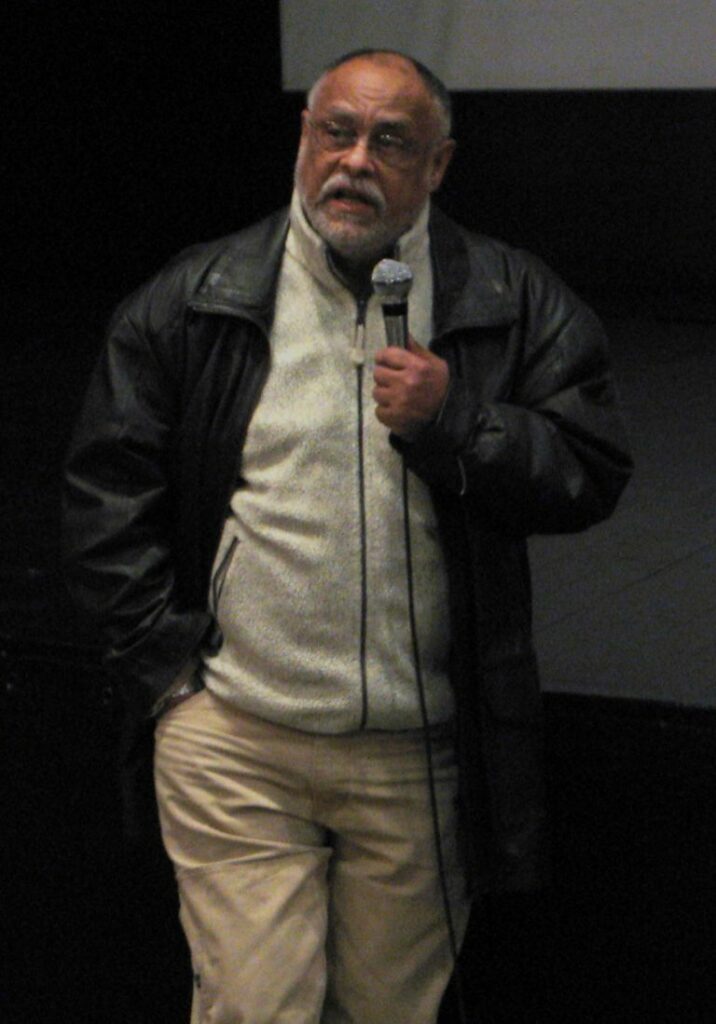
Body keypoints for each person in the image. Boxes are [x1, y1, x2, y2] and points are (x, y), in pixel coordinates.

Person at [63, 49, 632, 1024]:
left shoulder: (508, 294)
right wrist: (169, 672)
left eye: (390, 142)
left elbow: (589, 467)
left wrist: (456, 419)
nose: (355, 161)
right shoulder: (199, 292)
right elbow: (103, 491)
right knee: (255, 1006)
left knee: (388, 1012)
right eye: (336, 132)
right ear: (303, 139)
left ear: (437, 165)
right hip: (237, 738)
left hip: (416, 754)